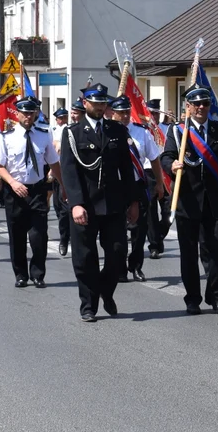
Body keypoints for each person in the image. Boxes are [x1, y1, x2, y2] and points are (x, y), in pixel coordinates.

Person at [161, 84, 218, 316]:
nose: (201, 107)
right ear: (188, 107)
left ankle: (215, 295)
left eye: (205, 103)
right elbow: (166, 156)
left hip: (216, 201)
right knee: (189, 254)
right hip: (188, 201)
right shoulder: (177, 131)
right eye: (197, 104)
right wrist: (172, 165)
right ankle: (192, 298)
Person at [59, 84, 141, 322]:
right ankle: (88, 305)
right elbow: (69, 171)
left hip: (113, 204)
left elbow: (127, 169)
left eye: (102, 103)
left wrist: (133, 201)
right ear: (85, 104)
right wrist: (75, 203)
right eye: (94, 103)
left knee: (117, 254)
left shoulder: (117, 130)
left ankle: (106, 288)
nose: (98, 107)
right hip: (85, 204)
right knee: (85, 259)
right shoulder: (72, 133)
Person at [0, 96, 63, 289]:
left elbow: (53, 163)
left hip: (37, 190)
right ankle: (21, 274)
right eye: (24, 113)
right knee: (16, 235)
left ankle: (38, 274)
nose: (28, 116)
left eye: (31, 113)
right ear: (17, 114)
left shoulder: (44, 134)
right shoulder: (7, 137)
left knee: (38, 235)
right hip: (15, 191)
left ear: (35, 114)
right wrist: (13, 182)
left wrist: (64, 186)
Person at [108, 95, 165, 282]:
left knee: (139, 229)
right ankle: (120, 268)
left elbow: (154, 158)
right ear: (113, 113)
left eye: (127, 112)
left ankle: (136, 266)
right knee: (118, 230)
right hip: (116, 187)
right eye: (120, 113)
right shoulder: (107, 132)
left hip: (138, 185)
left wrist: (159, 182)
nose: (124, 116)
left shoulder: (141, 132)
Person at [146, 98, 173, 260]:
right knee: (151, 213)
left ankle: (159, 235)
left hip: (165, 173)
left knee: (169, 211)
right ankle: (154, 245)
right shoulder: (143, 130)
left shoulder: (166, 129)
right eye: (151, 113)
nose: (154, 116)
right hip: (149, 173)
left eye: (156, 113)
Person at [51, 106, 72, 257]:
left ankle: (67, 238)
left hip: (71, 175)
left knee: (66, 210)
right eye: (61, 118)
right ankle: (64, 236)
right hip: (57, 172)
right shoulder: (51, 131)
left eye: (65, 117)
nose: (63, 120)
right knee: (59, 208)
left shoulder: (72, 130)